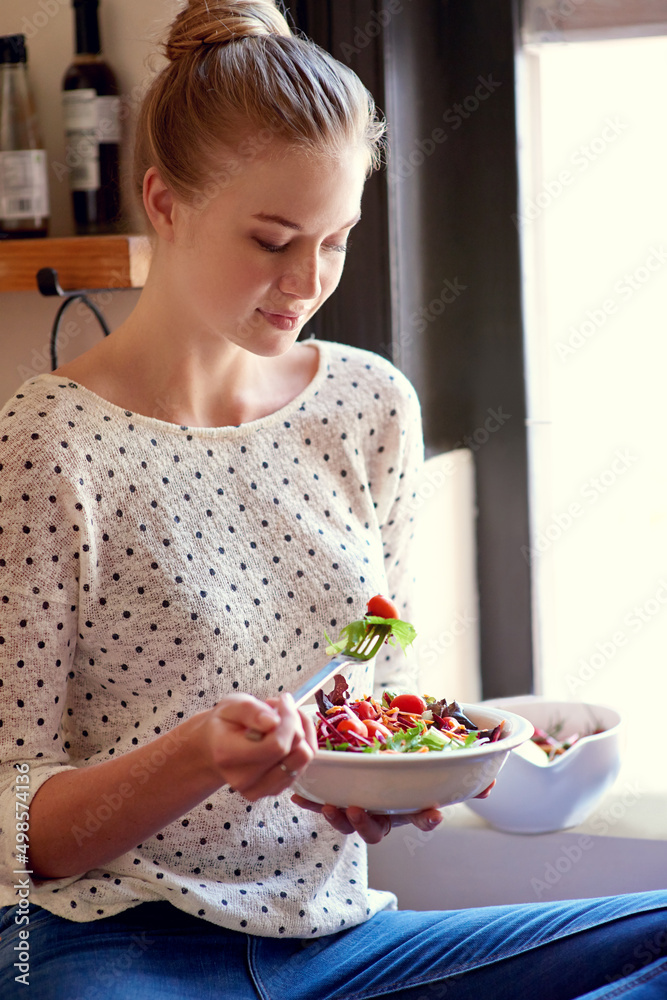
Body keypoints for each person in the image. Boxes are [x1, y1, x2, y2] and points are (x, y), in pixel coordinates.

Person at [0, 2, 665, 997]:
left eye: (337, 238)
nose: (306, 280)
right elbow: (17, 827)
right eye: (271, 239)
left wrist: (381, 784)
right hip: (110, 950)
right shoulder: (50, 444)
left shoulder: (366, 407)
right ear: (165, 202)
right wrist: (196, 756)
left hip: (336, 943)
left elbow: (364, 677)